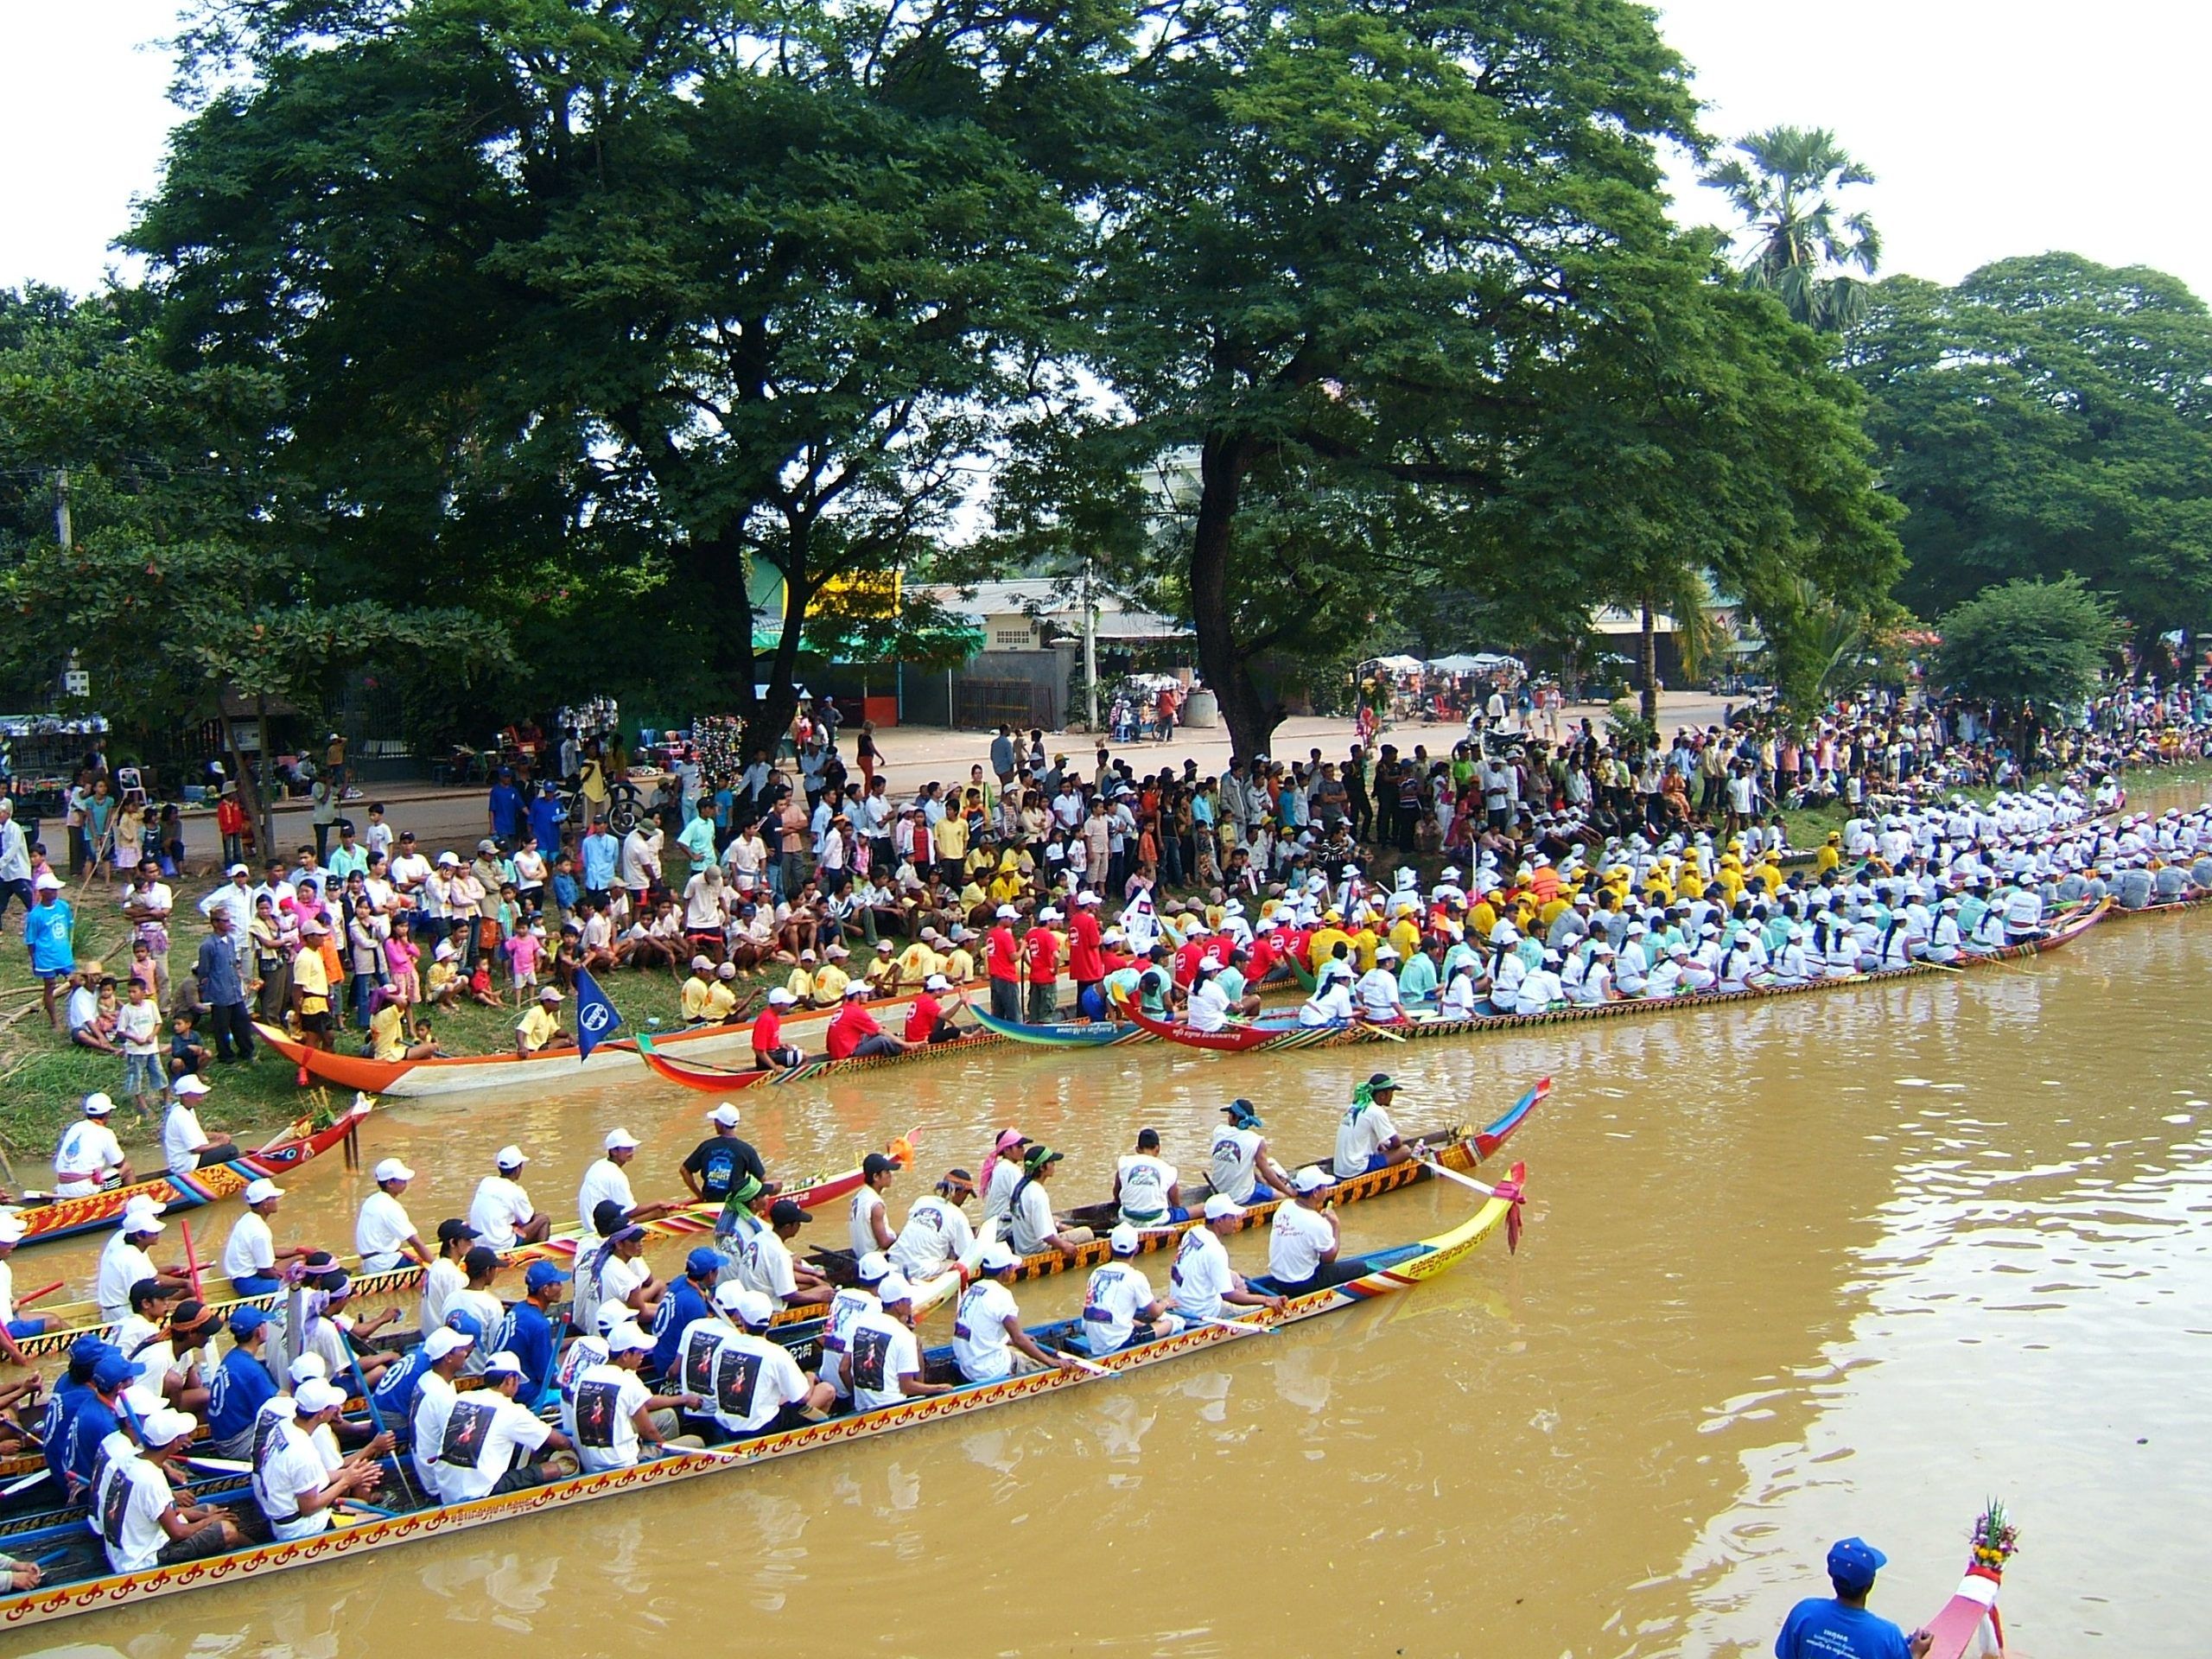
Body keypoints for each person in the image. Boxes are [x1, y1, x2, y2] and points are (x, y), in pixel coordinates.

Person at [94, 1406, 243, 1572]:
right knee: (227, 1530)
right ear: (174, 1443)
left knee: (210, 1509)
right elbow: (177, 1533)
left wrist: (207, 1516)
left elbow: (162, 1512)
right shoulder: (151, 1478)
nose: (187, 1438)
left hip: (131, 1547)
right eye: (183, 1436)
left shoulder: (130, 1461)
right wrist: (209, 1521)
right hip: (142, 1560)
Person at [255, 1376, 391, 1539]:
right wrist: (347, 1481)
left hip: (287, 1510)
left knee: (362, 1505)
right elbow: (309, 1508)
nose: (338, 1408)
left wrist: (353, 1473)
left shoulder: (283, 1426)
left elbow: (311, 1477)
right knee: (382, 1521)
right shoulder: (302, 1451)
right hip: (302, 1527)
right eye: (333, 1407)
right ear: (321, 1414)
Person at [433, 1350, 574, 1502]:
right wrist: (573, 1449)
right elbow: (561, 1442)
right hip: (480, 1493)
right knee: (553, 1469)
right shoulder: (511, 1410)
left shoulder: (461, 1398)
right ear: (510, 1380)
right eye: (517, 1382)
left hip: (447, 1489)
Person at [563, 1319, 703, 1471]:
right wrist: (665, 1449)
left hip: (591, 1461)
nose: (643, 1356)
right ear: (625, 1355)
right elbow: (648, 1431)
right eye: (639, 1352)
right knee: (696, 1442)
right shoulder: (627, 1381)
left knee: (667, 1417)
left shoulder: (586, 1375)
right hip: (623, 1464)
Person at [698, 1286, 835, 1439]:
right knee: (826, 1390)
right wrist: (809, 1377)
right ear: (771, 1321)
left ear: (742, 1320)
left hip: (727, 1425)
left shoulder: (723, 1346)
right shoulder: (775, 1353)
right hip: (761, 1429)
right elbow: (803, 1397)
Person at [1776, 1537, 1933, 1659]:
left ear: (1831, 1575)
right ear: (1870, 1584)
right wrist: (1916, 1653)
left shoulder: (1804, 1612)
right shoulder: (1887, 1635)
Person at [952, 1241, 1082, 1382]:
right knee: (1040, 1365)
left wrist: (1009, 1340)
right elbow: (1019, 1339)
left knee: (1017, 1349)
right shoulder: (1001, 1295)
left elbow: (981, 1329)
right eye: (1012, 1268)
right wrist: (1051, 1361)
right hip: (990, 1371)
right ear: (1006, 1271)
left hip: (968, 1367)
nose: (1014, 1270)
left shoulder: (972, 1289)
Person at [1171, 1194, 1288, 1322]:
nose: (1236, 1220)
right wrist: (1266, 1300)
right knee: (1262, 1307)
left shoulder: (1193, 1231)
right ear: (1219, 1221)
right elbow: (1228, 1295)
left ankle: (1244, 1291)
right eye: (1232, 1217)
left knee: (1235, 1276)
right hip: (1201, 1312)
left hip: (1181, 1305)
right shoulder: (1216, 1250)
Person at [842, 1273, 950, 1411]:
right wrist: (939, 1388)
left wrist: (855, 1397)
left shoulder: (859, 1324)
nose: (911, 1303)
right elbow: (907, 1387)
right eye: (908, 1300)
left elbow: (843, 1369)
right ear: (898, 1305)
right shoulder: (904, 1336)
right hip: (892, 1408)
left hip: (861, 1405)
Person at [1266, 1166, 1370, 1294]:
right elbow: (1329, 1260)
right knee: (1360, 1267)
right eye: (1324, 1187)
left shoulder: (1284, 1206)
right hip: (1301, 1284)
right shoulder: (1317, 1222)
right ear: (1315, 1192)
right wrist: (1335, 1225)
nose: (1326, 1190)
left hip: (1278, 1279)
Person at [1080, 1225, 1182, 1355]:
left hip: (1095, 1340)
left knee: (1137, 1322)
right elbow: (1155, 1313)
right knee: (1173, 1321)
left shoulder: (1096, 1272)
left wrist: (1138, 1324)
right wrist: (1165, 1303)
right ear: (1137, 1249)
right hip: (1117, 1344)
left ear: (1110, 1247)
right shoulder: (1135, 1277)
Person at [408, 1327, 478, 1494]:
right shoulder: (440, 1395)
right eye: (461, 1350)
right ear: (448, 1357)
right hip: (435, 1478)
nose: (466, 1353)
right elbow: (459, 1441)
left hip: (425, 1463)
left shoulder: (428, 1378)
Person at [205, 1306, 282, 1459]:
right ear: (258, 1331)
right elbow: (276, 1405)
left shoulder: (234, 1356)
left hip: (225, 1436)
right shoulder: (251, 1370)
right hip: (237, 1443)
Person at [575, 1127, 679, 1233]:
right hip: (599, 1229)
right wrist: (658, 1203)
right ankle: (656, 1215)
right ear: (614, 1151)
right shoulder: (616, 1175)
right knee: (659, 1212)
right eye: (626, 1148)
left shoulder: (599, 1164)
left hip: (590, 1222)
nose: (631, 1151)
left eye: (631, 1148)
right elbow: (630, 1212)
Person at [735, 1198, 834, 1306]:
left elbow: (785, 1265)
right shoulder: (779, 1254)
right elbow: (788, 1295)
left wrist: (812, 1277)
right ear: (788, 1227)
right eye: (798, 1223)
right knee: (826, 1289)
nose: (800, 1226)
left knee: (812, 1282)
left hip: (750, 1293)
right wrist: (819, 1295)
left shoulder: (760, 1237)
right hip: (766, 1304)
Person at [220, 1178, 310, 1296]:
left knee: (301, 1258)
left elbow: (269, 1251)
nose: (276, 1201)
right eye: (273, 1198)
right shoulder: (260, 1232)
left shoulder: (248, 1218)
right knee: (297, 1287)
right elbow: (265, 1271)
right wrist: (285, 1279)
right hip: (249, 1283)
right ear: (265, 1204)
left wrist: (298, 1251)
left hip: (247, 1276)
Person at [886, 1169, 977, 1283]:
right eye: (966, 1195)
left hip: (894, 1263)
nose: (964, 1200)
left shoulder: (922, 1200)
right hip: (920, 1271)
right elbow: (969, 1254)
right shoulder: (958, 1216)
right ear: (959, 1193)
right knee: (962, 1266)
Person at [1008, 1145, 1094, 1255]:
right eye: (1051, 1162)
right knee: (1087, 1232)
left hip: (1022, 1248)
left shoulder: (1021, 1187)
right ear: (1042, 1167)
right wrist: (1064, 1246)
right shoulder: (1038, 1194)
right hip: (1038, 1250)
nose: (1054, 1164)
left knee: (1057, 1220)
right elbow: (1045, 1236)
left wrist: (1059, 1226)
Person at [680, 1103, 772, 1205]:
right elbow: (763, 1180)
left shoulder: (706, 1146)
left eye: (716, 1120)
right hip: (735, 1203)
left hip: (710, 1203)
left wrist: (700, 1196)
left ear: (721, 1124)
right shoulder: (746, 1150)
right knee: (776, 1184)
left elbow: (684, 1170)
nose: (714, 1123)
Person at [355, 1158, 432, 1274]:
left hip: (370, 1264)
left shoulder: (371, 1200)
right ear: (390, 1183)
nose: (406, 1183)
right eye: (403, 1180)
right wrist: (436, 1265)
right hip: (384, 1264)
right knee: (427, 1271)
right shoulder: (391, 1206)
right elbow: (414, 1241)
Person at [467, 1145, 550, 1249]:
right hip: (501, 1245)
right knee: (543, 1220)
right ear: (517, 1169)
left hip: (479, 1243)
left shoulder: (486, 1182)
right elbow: (529, 1219)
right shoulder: (516, 1191)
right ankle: (542, 1253)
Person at [1332, 1072, 1410, 1179]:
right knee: (1405, 1151)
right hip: (1355, 1169)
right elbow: (1397, 1143)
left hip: (1340, 1169)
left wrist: (1380, 1146)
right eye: (1391, 1092)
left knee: (1382, 1145)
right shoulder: (1376, 1111)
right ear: (1382, 1095)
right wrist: (1390, 1150)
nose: (1392, 1096)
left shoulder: (1354, 1106)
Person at [53, 1090, 130, 1197]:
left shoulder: (75, 1127)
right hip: (85, 1189)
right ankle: (131, 1200)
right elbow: (119, 1163)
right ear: (107, 1114)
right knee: (127, 1168)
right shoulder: (105, 1133)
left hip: (62, 1188)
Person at [161, 1074, 238, 1174]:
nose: (200, 1099)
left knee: (225, 1148)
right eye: (197, 1095)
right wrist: (220, 1143)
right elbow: (196, 1149)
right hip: (187, 1164)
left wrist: (217, 1136)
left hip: (191, 1159)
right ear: (186, 1096)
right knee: (231, 1150)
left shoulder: (186, 1109)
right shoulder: (181, 1116)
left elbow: (195, 1133)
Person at [1113, 1128, 1182, 1228]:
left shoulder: (1124, 1163)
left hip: (1127, 1219)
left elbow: (1117, 1191)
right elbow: (1175, 1204)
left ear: (1137, 1149)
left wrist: (1117, 1201)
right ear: (1158, 1149)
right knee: (1200, 1209)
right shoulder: (1168, 1169)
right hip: (1157, 1220)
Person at [848, 1151, 899, 1257]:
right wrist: (903, 1238)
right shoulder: (876, 1205)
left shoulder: (858, 1197)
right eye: (887, 1172)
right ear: (876, 1177)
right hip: (876, 1259)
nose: (890, 1175)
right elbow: (884, 1243)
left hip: (860, 1255)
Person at [515, 984, 572, 1057]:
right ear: (546, 1001)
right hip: (533, 1049)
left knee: (566, 1040)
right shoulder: (536, 1012)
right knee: (564, 1042)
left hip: (541, 1045)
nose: (558, 1004)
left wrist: (569, 1035)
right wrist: (521, 1047)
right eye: (555, 1002)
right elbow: (521, 1030)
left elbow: (557, 1031)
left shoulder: (548, 1014)